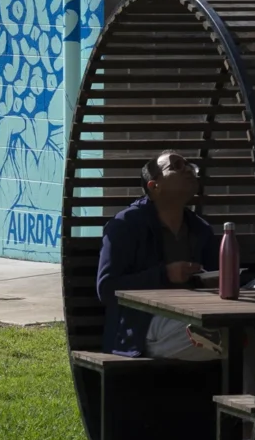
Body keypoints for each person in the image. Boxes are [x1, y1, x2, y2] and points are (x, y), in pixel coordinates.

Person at [96, 150, 223, 358]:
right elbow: (107, 288)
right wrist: (165, 275)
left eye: (189, 165)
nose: (189, 170)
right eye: (177, 166)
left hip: (195, 315)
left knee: (238, 334)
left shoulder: (200, 229)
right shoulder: (126, 225)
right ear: (154, 187)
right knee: (228, 339)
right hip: (144, 327)